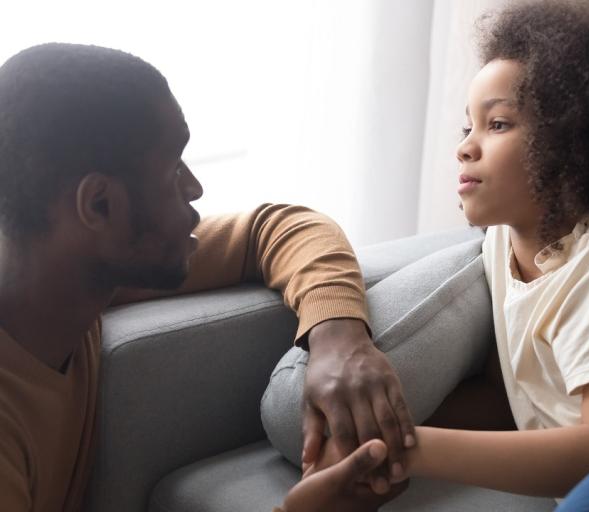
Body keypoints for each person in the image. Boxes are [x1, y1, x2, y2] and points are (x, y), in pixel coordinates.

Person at [306, 2, 589, 510]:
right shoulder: (501, 249)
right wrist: (369, 443)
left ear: (575, 142)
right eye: (467, 129)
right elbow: (512, 402)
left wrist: (404, 448)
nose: (465, 148)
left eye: (498, 124)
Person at [0, 43, 408, 512]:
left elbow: (276, 227)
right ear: (98, 205)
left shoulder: (64, 278)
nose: (195, 188)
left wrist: (339, 339)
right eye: (174, 169)